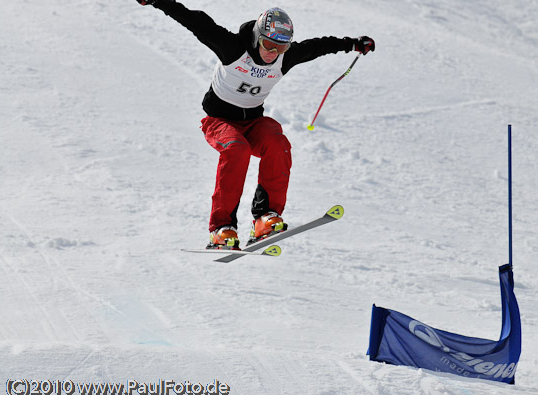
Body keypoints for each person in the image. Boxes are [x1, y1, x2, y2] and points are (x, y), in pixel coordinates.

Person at [136, 0, 375, 249]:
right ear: (257, 37)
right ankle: (221, 228)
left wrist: (352, 44)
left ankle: (264, 218)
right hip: (218, 121)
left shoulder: (285, 57)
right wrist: (158, 1)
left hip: (253, 122)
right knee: (236, 150)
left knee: (278, 143)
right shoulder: (232, 48)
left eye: (280, 47)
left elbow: (317, 46)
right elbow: (195, 21)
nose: (273, 52)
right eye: (268, 44)